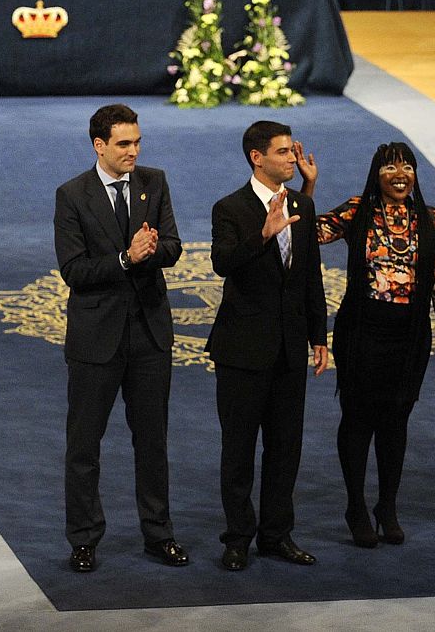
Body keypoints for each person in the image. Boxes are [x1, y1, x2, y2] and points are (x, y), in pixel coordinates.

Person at [53, 104, 186, 573]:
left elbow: (172, 246)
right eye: (124, 144)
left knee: (153, 442)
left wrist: (153, 251)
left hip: (150, 336)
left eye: (137, 142)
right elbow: (74, 271)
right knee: (85, 444)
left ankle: (159, 534)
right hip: (96, 340)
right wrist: (127, 259)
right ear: (99, 146)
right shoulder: (72, 195)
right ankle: (84, 539)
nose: (134, 151)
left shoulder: (155, 181)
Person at [310, 142, 435, 547]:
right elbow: (312, 231)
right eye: (391, 167)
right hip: (361, 333)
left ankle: (386, 506)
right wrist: (309, 186)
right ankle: (356, 506)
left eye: (407, 167)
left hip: (410, 337)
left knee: (396, 421)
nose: (400, 174)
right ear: (377, 174)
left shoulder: (431, 219)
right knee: (357, 420)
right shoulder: (358, 210)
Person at [208, 120, 328, 571]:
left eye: (292, 151)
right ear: (257, 157)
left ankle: (276, 535)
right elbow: (223, 263)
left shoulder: (302, 204)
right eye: (282, 152)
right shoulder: (231, 208)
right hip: (242, 351)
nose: (292, 160)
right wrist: (263, 234)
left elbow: (309, 275)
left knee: (285, 447)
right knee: (238, 450)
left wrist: (319, 336)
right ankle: (238, 538)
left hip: (290, 350)